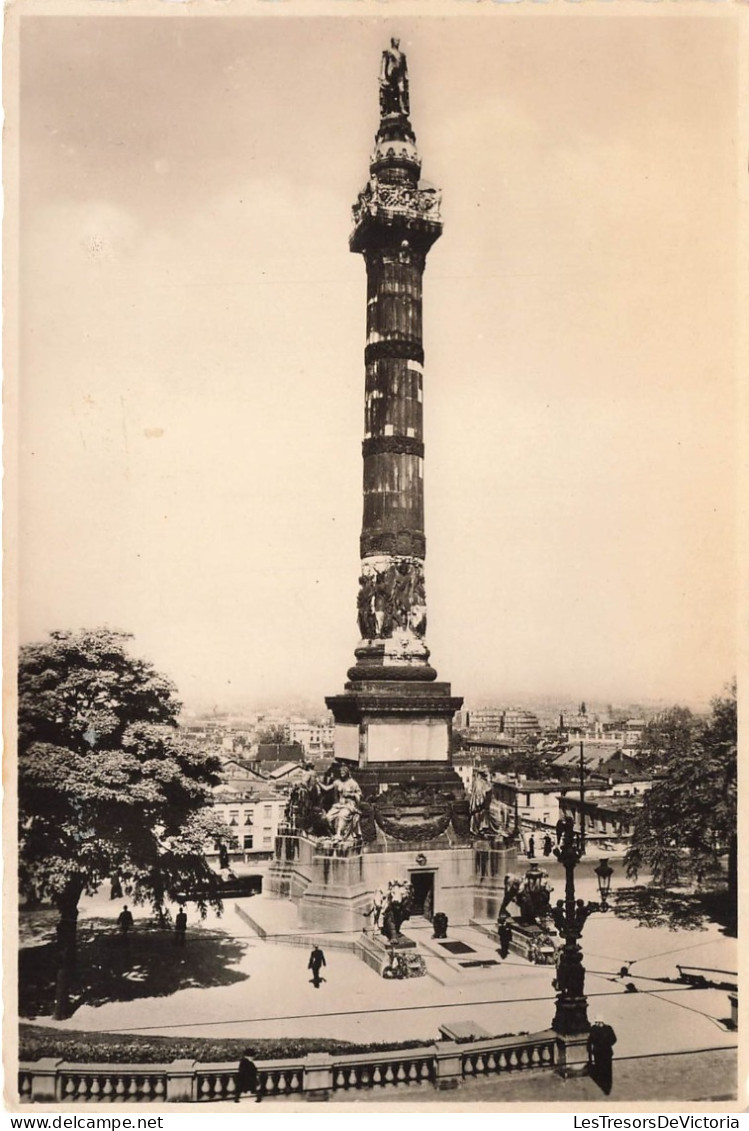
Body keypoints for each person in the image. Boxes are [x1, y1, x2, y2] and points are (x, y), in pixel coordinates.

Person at [587, 1020, 617, 1094]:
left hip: (605, 1053)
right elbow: (590, 1041)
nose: (597, 1024)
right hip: (599, 1053)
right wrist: (590, 1051)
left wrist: (606, 1044)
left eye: (598, 1022)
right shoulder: (594, 1029)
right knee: (601, 1069)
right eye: (596, 1022)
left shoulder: (608, 1029)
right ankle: (603, 1085)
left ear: (602, 1022)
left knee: (607, 1070)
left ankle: (607, 1087)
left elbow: (614, 1039)